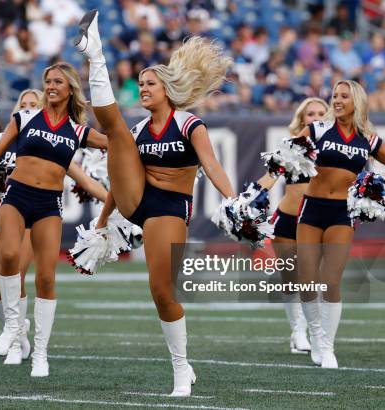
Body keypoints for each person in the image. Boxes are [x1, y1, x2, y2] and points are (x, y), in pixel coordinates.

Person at [75, 10, 235, 396]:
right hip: (136, 202)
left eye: (149, 84)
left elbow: (211, 166)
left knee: (162, 291)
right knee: (115, 133)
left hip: (169, 207)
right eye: (140, 83)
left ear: (167, 89)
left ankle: (182, 366)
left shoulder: (189, 124)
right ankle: (95, 54)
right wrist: (102, 221)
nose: (143, 88)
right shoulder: (136, 130)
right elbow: (119, 179)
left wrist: (235, 203)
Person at [0, 89, 107, 357]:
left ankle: (10, 339)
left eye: (35, 104)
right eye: (25, 105)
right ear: (17, 110)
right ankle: (15, 331)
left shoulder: (50, 141)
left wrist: (120, 206)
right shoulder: (3, 138)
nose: (30, 108)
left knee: (18, 274)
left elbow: (85, 180)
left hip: (31, 216)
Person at [0, 63, 108, 376]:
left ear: (70, 89)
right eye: (47, 81)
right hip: (16, 195)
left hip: (48, 203)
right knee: (10, 256)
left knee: (46, 276)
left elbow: (117, 143)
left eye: (57, 82)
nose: (51, 86)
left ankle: (40, 352)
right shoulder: (24, 117)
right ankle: (14, 328)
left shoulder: (79, 131)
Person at [294, 80, 385, 369]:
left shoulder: (368, 140)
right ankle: (316, 334)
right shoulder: (317, 130)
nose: (337, 100)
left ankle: (327, 346)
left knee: (330, 281)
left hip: (342, 214)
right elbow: (286, 162)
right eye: (335, 96)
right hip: (311, 210)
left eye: (344, 96)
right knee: (306, 280)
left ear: (357, 102)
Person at [258, 98, 329, 354]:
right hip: (287, 219)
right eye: (311, 113)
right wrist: (249, 199)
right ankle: (298, 331)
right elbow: (271, 175)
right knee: (290, 278)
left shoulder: (336, 147)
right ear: (302, 119)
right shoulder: (291, 146)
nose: (316, 116)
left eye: (322, 112)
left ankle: (315, 331)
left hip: (317, 220)